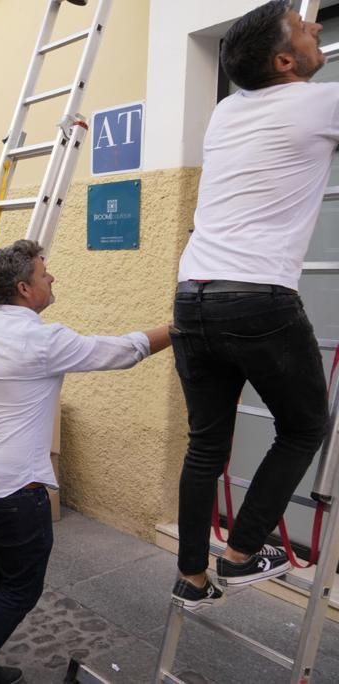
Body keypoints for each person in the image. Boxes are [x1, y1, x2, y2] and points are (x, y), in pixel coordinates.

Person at [0, 240, 170, 684]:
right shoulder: (43, 339)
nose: (52, 278)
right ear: (25, 288)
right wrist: (176, 328)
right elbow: (124, 351)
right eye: (46, 274)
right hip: (14, 490)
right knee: (21, 587)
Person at [170, 1, 332, 608]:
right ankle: (241, 554)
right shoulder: (320, 103)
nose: (318, 26)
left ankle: (191, 575)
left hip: (193, 299)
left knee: (204, 444)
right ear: (285, 61)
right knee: (305, 425)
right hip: (257, 297)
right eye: (304, 27)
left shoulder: (224, 113)